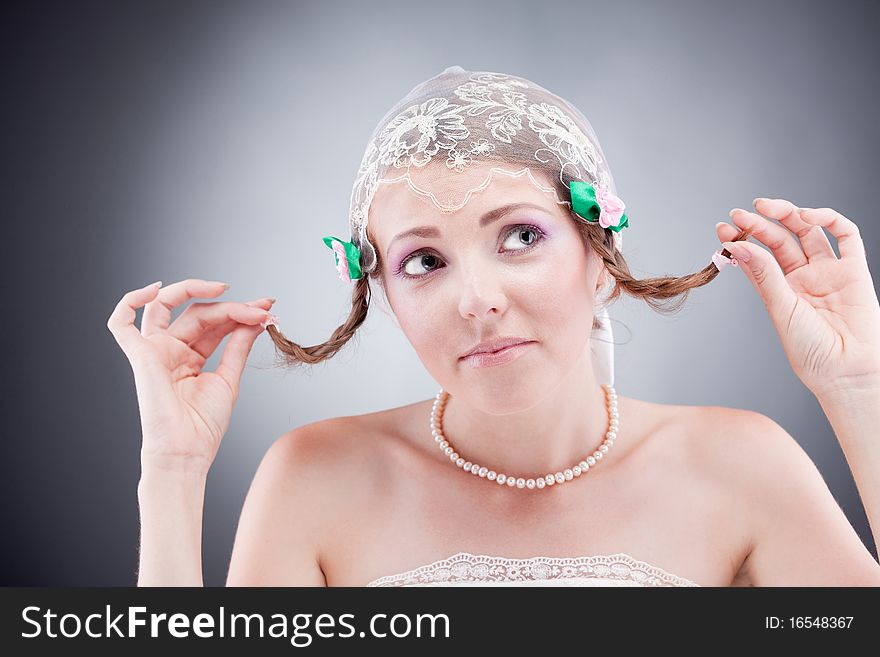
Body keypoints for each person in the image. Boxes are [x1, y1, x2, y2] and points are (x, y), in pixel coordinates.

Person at [108, 67, 880, 587]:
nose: (476, 298)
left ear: (601, 254)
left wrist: (860, 389)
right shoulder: (312, 479)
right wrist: (172, 473)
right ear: (381, 292)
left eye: (520, 236)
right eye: (423, 262)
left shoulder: (741, 466)